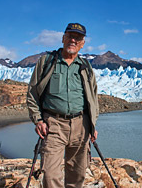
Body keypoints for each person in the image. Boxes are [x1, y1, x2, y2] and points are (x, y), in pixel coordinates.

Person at [27, 22, 99, 188]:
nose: (73, 40)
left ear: (82, 43)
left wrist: (92, 124)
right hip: (53, 124)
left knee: (78, 175)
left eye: (78, 38)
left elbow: (93, 98)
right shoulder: (47, 62)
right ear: (63, 38)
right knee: (51, 176)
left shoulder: (85, 66)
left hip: (81, 125)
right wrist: (38, 120)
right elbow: (32, 93)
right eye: (70, 36)